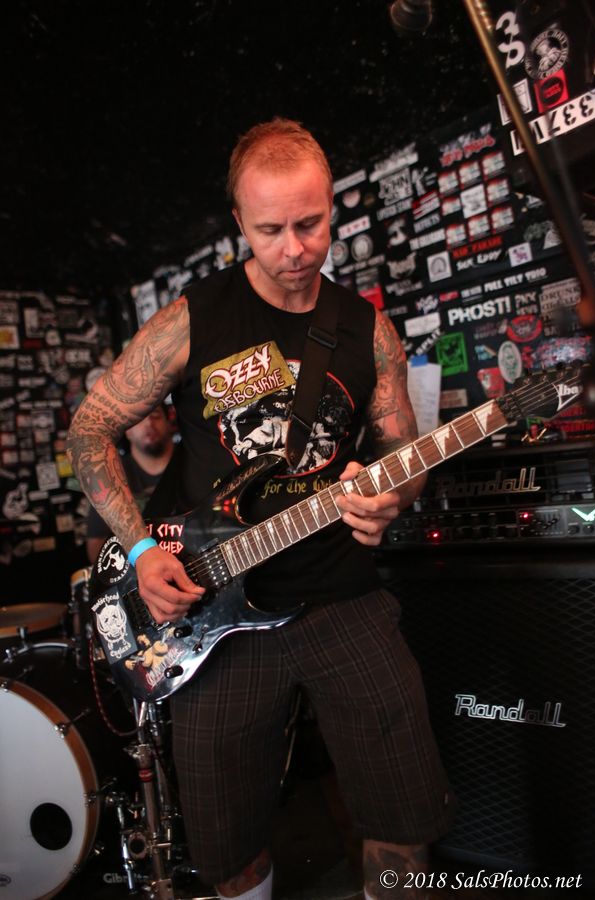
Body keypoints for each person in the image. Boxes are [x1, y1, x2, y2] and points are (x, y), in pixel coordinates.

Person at [67, 118, 454, 900]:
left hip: (342, 595)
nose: (295, 248)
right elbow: (89, 430)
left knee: (405, 817)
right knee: (227, 847)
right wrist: (141, 550)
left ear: (332, 208)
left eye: (310, 223)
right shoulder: (194, 318)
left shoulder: (367, 329)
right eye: (271, 230)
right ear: (239, 223)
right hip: (213, 610)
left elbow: (401, 454)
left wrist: (391, 494)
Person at [85, 405, 174, 562]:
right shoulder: (110, 477)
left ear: (169, 422)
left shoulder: (194, 462)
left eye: (155, 416)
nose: (149, 423)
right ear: (127, 431)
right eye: (139, 420)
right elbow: (96, 547)